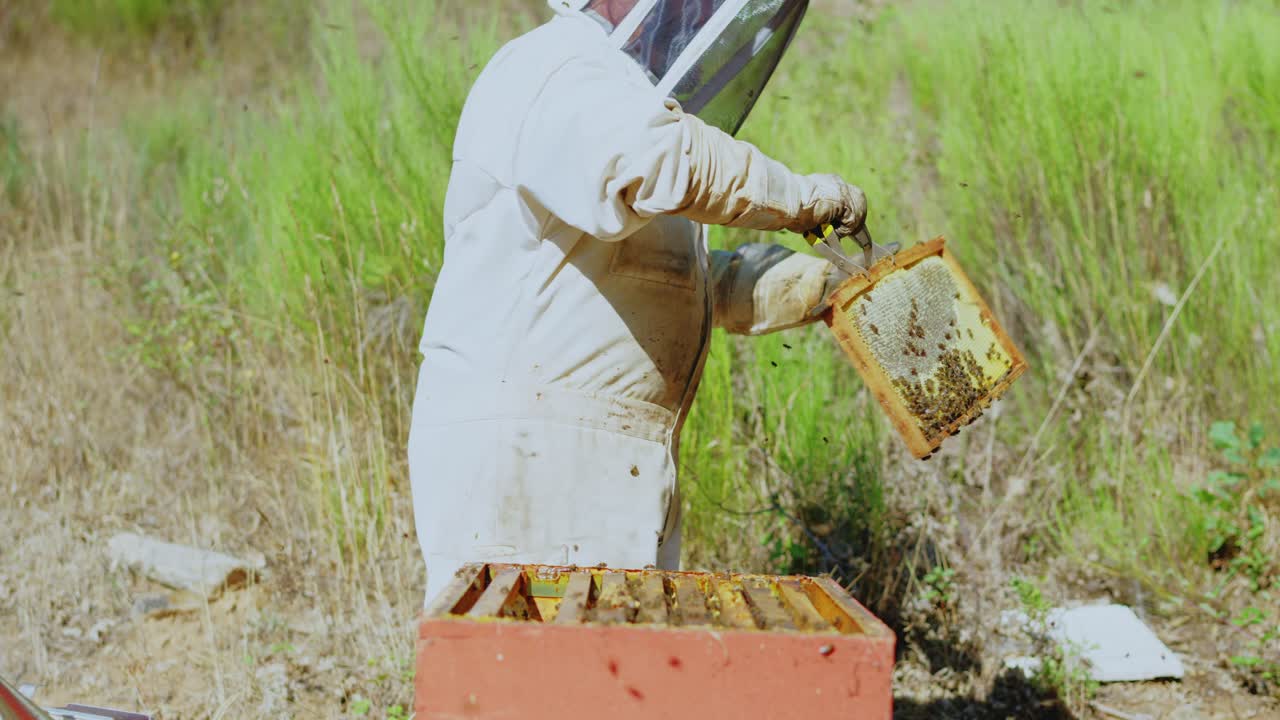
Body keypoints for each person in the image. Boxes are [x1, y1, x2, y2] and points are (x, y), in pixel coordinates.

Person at [409, 0, 870, 604]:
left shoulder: (626, 99)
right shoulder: (558, 67)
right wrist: (802, 198)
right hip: (527, 460)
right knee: (521, 684)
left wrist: (822, 285)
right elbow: (658, 162)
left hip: (605, 465)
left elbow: (672, 278)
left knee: (606, 685)